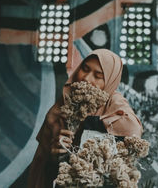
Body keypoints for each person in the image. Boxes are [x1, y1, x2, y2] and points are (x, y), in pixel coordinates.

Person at [27, 49, 143, 188]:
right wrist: (55, 153)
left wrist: (91, 123)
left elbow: (133, 129)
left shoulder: (114, 103)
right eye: (84, 69)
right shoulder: (63, 105)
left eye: (98, 75)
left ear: (110, 81)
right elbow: (42, 164)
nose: (86, 78)